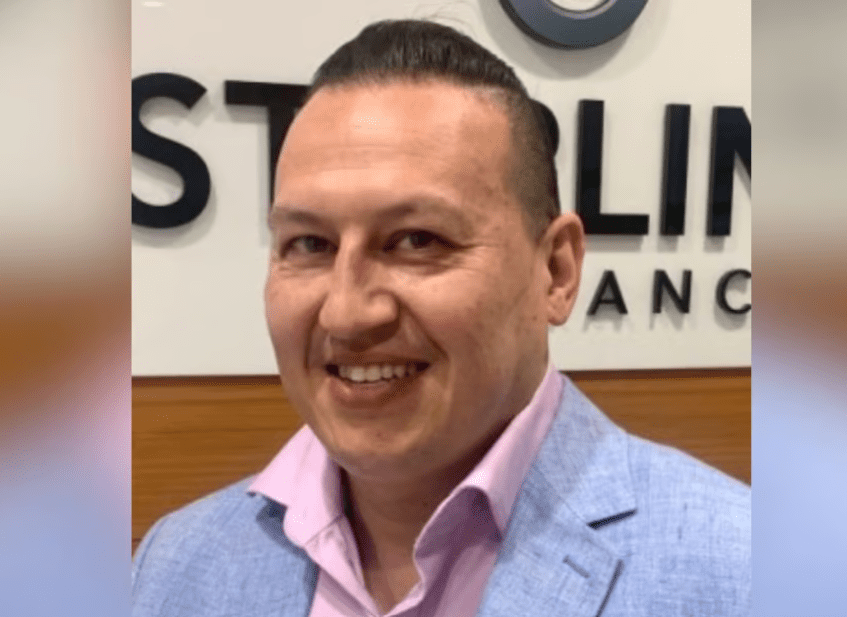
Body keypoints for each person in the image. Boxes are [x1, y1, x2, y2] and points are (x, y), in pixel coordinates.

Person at [132, 19, 750, 617]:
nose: (347, 313)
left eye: (417, 240)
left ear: (556, 271)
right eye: (309, 244)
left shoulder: (743, 571)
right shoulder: (173, 564)